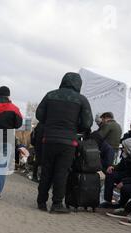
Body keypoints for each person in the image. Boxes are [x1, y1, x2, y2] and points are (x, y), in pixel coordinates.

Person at [36, 72, 93, 213]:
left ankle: (41, 202)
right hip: (68, 142)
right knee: (61, 173)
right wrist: (75, 128)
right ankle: (56, 204)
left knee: (46, 171)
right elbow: (87, 123)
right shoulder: (81, 100)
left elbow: (39, 115)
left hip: (48, 139)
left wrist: (49, 123)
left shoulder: (50, 95)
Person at [100, 137, 131, 209]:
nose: (123, 149)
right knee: (110, 174)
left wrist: (124, 182)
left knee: (126, 187)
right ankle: (107, 200)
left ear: (130, 148)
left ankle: (123, 205)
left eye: (124, 147)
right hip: (129, 175)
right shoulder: (127, 154)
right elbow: (121, 166)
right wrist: (114, 167)